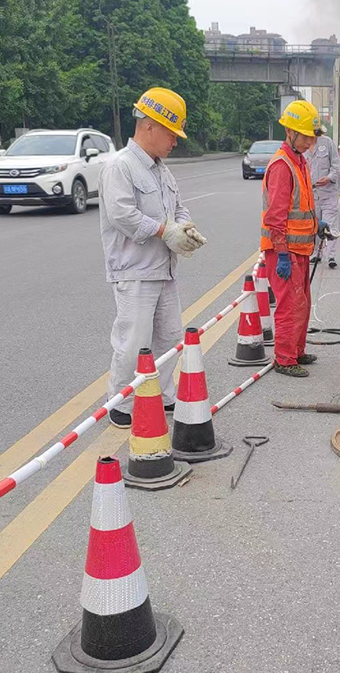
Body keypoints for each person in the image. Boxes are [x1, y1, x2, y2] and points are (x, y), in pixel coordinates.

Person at [100, 87, 207, 429]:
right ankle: (122, 401)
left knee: (169, 336)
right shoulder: (121, 166)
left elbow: (177, 207)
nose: (175, 142)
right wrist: (165, 232)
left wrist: (185, 229)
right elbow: (122, 215)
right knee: (133, 340)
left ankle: (161, 394)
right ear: (149, 126)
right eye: (171, 134)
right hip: (134, 271)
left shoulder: (161, 170)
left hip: (163, 270)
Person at [260, 100, 321, 378]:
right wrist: (282, 252)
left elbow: (302, 205)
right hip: (284, 250)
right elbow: (276, 216)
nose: (310, 141)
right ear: (291, 133)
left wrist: (317, 226)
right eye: (306, 136)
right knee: (289, 304)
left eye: (312, 136)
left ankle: (296, 350)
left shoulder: (299, 161)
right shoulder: (283, 165)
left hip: (300, 248)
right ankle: (285, 358)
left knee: (301, 302)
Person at [305, 124, 340, 268]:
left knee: (329, 224)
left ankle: (331, 256)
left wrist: (329, 177)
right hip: (311, 194)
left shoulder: (327, 143)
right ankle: (315, 254)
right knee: (314, 224)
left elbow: (336, 165)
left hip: (328, 192)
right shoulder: (303, 147)